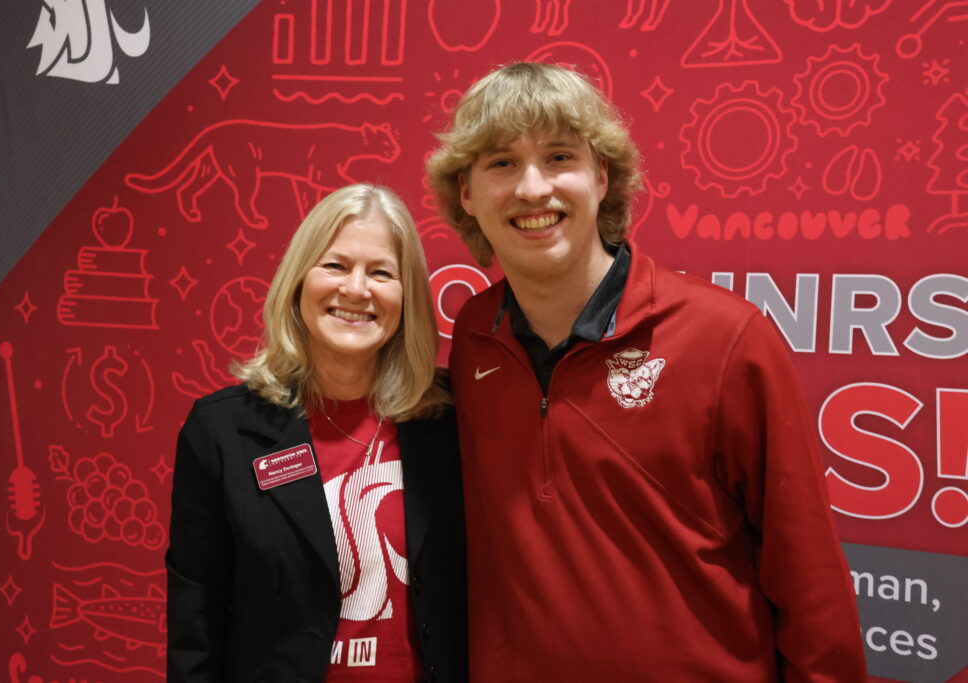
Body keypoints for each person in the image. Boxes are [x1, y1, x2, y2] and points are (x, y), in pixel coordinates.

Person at [427, 62, 866, 680]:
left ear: (601, 177)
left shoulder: (727, 339)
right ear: (466, 193)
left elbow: (809, 579)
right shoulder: (474, 336)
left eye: (558, 158)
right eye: (500, 163)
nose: (532, 189)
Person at [166, 184, 467, 682]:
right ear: (299, 281)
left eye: (381, 273)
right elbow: (196, 622)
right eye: (335, 265)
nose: (356, 289)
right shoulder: (221, 432)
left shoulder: (454, 420)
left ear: (406, 296)